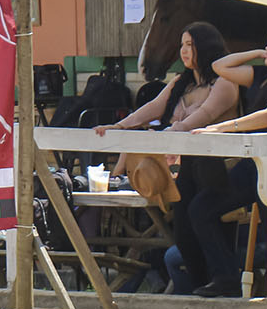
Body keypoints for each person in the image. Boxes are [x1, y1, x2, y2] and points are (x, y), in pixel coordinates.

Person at [95, 22, 239, 288]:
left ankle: (221, 280)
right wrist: (119, 126)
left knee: (204, 221)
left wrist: (170, 134)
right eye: (182, 44)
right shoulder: (180, 82)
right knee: (183, 231)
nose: (184, 50)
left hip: (219, 169)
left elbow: (203, 116)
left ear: (206, 47)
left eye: (191, 45)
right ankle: (199, 284)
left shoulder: (225, 84)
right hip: (187, 167)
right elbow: (153, 107)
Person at [191, 24, 267, 297]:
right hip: (252, 165)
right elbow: (219, 67)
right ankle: (226, 277)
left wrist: (223, 127)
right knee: (201, 209)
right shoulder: (262, 75)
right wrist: (257, 52)